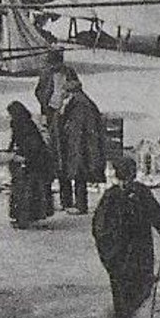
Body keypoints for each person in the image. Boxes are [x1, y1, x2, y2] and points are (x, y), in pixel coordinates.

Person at [91, 156, 160, 318]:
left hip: (141, 250)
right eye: (124, 178)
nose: (127, 182)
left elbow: (156, 213)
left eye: (130, 177)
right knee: (121, 293)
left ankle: (125, 313)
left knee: (145, 285)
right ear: (118, 176)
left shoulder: (142, 192)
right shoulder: (110, 197)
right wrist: (109, 248)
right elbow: (99, 226)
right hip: (118, 254)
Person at [56, 71, 107, 214]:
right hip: (73, 145)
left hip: (80, 146)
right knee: (73, 173)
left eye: (65, 91)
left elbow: (80, 128)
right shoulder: (74, 102)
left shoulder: (81, 104)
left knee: (79, 174)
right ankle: (69, 203)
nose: (63, 94)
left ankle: (80, 205)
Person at [7, 100, 56, 228]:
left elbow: (32, 147)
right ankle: (28, 216)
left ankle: (24, 219)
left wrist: (22, 157)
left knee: (25, 193)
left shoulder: (23, 126)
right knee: (29, 192)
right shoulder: (25, 124)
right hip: (34, 163)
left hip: (33, 164)